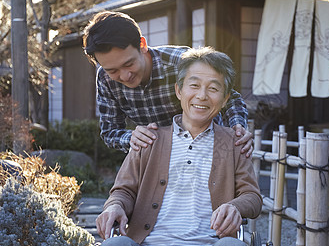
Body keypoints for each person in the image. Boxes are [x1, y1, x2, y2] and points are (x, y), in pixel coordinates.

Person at [93, 46, 262, 246]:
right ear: (179, 91)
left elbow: (252, 197)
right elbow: (123, 191)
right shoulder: (148, 139)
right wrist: (115, 207)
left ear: (225, 99)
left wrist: (235, 206)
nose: (202, 96)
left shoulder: (234, 143)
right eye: (194, 86)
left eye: (213, 88)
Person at [82, 11, 253, 156]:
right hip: (157, 158)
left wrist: (237, 128)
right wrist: (132, 137)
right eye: (113, 70)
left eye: (129, 64)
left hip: (210, 150)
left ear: (142, 45)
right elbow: (110, 132)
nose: (125, 76)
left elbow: (230, 98)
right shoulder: (105, 78)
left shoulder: (182, 62)